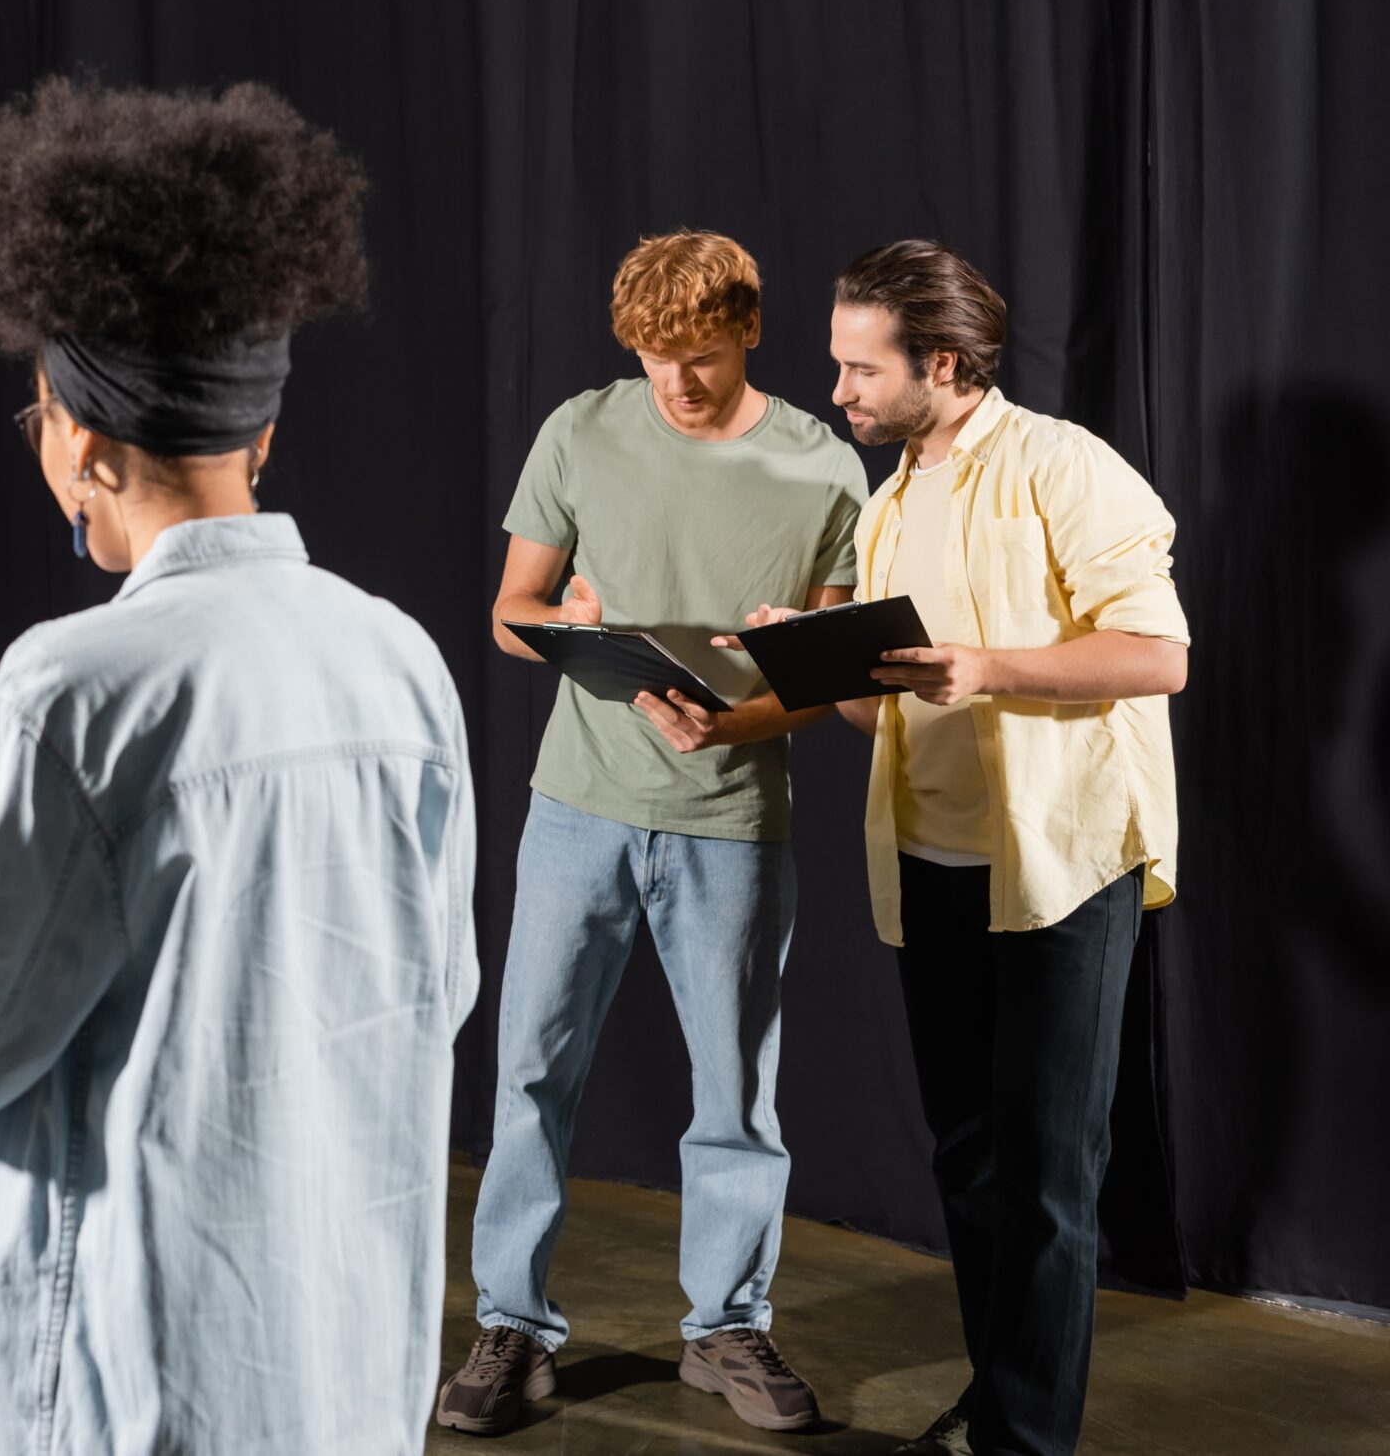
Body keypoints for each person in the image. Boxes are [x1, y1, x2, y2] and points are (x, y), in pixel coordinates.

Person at [0, 78, 478, 1456]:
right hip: (338, 1351)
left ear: (78, 438)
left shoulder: (74, 686)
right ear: (263, 431)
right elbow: (433, 986)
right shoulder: (396, 658)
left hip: (132, 1365)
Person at [438, 232, 867, 1437]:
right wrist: (579, 634)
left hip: (734, 818)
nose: (674, 378)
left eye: (700, 352)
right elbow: (514, 611)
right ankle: (512, 1323)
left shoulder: (821, 466)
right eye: (652, 353)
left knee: (736, 1088)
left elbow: (830, 669)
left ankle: (725, 1322)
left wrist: (741, 721)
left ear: (749, 328)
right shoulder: (580, 428)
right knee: (530, 1067)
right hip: (577, 802)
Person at [781, 241, 1187, 1456]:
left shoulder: (1066, 464)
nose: (838, 391)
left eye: (860, 369)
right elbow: (886, 704)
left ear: (941, 363)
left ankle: (1023, 1441)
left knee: (1050, 1177)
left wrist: (984, 667)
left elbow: (1156, 655)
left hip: (1059, 865)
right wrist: (817, 654)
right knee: (967, 1157)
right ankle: (994, 1399)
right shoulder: (890, 496)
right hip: (929, 862)